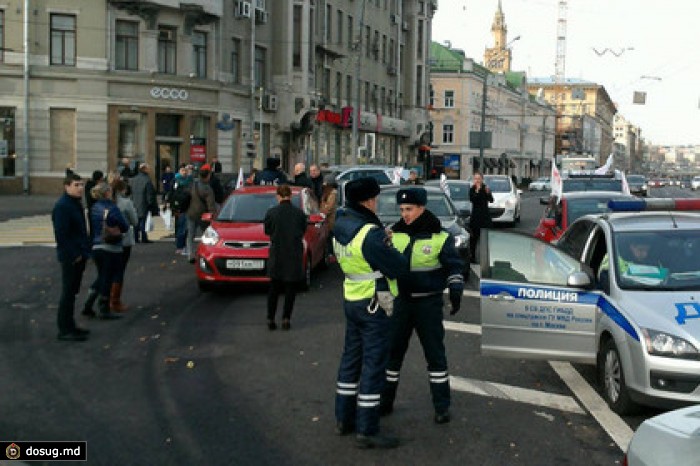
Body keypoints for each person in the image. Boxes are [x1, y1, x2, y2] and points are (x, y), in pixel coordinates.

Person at [333, 177, 408, 449]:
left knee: (350, 360)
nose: (377, 203)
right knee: (374, 364)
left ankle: (344, 418)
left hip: (352, 297)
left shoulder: (340, 224)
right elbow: (397, 266)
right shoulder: (369, 232)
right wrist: (389, 243)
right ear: (367, 201)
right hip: (375, 302)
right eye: (375, 199)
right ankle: (367, 428)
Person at [380, 187, 464, 424]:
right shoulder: (392, 235)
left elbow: (454, 266)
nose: (404, 214)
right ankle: (385, 403)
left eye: (409, 209)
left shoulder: (440, 236)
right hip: (401, 304)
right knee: (392, 356)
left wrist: (456, 290)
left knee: (435, 357)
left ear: (421, 208)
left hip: (428, 304)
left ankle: (441, 407)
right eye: (402, 210)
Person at [51, 173, 92, 341]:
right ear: (66, 186)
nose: (80, 188)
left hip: (79, 254)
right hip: (71, 257)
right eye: (76, 185)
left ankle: (71, 325)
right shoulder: (62, 206)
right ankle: (64, 329)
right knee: (67, 292)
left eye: (81, 185)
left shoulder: (75, 204)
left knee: (73, 292)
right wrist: (74, 254)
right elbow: (62, 234)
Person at [263, 184, 308, 330]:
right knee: (290, 290)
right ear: (291, 196)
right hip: (293, 254)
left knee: (274, 289)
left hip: (277, 253)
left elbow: (267, 230)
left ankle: (271, 318)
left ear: (278, 196)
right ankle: (286, 318)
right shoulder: (299, 213)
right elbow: (303, 230)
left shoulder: (272, 213)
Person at [88, 182, 128, 320]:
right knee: (108, 277)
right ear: (107, 193)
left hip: (97, 245)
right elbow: (124, 226)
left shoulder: (94, 207)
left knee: (101, 276)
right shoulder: (112, 208)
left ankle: (89, 303)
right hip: (111, 247)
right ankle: (103, 307)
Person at [111, 179, 139, 312]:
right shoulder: (126, 203)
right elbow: (134, 221)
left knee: (107, 271)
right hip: (124, 240)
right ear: (122, 189)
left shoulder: (104, 203)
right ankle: (115, 301)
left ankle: (102, 298)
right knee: (119, 270)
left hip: (106, 240)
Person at [185, 164, 216, 263]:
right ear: (208, 176)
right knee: (206, 235)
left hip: (191, 212)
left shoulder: (193, 184)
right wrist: (214, 215)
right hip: (203, 215)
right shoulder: (207, 189)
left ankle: (190, 254)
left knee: (190, 235)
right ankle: (205, 253)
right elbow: (211, 205)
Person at [130, 163, 159, 244]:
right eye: (148, 168)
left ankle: (135, 237)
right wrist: (151, 204)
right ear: (144, 169)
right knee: (143, 221)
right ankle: (143, 237)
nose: (149, 170)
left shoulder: (133, 180)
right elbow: (150, 194)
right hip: (144, 203)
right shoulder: (147, 180)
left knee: (136, 221)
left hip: (134, 203)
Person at [468, 172, 493, 263]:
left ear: (482, 179)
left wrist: (488, 193)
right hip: (475, 217)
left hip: (485, 217)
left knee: (485, 239)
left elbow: (491, 200)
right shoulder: (472, 189)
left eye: (479, 179)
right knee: (473, 239)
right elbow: (473, 199)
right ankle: (472, 256)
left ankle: (486, 258)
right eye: (475, 179)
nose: (477, 181)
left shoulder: (485, 188)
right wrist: (477, 191)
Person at [171, 164, 193, 255]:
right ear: (179, 171)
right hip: (181, 207)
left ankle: (181, 246)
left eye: (185, 171)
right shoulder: (177, 181)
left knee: (183, 227)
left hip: (184, 207)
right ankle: (180, 247)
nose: (184, 172)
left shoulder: (188, 180)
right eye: (183, 170)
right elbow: (173, 195)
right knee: (182, 227)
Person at [320, 181, 338, 259]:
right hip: (327, 218)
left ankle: (331, 253)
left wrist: (323, 213)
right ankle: (330, 253)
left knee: (329, 236)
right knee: (328, 236)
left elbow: (329, 206)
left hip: (329, 219)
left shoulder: (332, 194)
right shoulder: (327, 193)